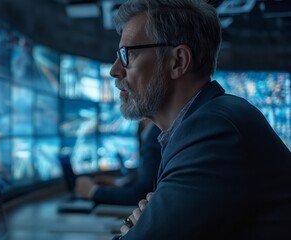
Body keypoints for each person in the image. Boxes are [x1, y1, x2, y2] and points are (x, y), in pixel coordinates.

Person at [105, 0, 291, 239]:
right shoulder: (207, 120)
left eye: (126, 55)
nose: (114, 70)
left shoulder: (213, 131)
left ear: (178, 61)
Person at [75, 119, 161, 206]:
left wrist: (93, 192)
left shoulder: (155, 137)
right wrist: (119, 183)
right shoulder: (152, 132)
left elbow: (142, 194)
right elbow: (147, 179)